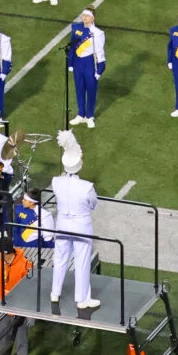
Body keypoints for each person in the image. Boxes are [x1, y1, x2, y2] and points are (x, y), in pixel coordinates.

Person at [49, 132, 100, 310]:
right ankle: (82, 299)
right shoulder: (86, 187)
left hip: (62, 223)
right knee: (82, 260)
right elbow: (94, 204)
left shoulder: (56, 182)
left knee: (61, 257)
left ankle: (55, 293)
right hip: (81, 225)